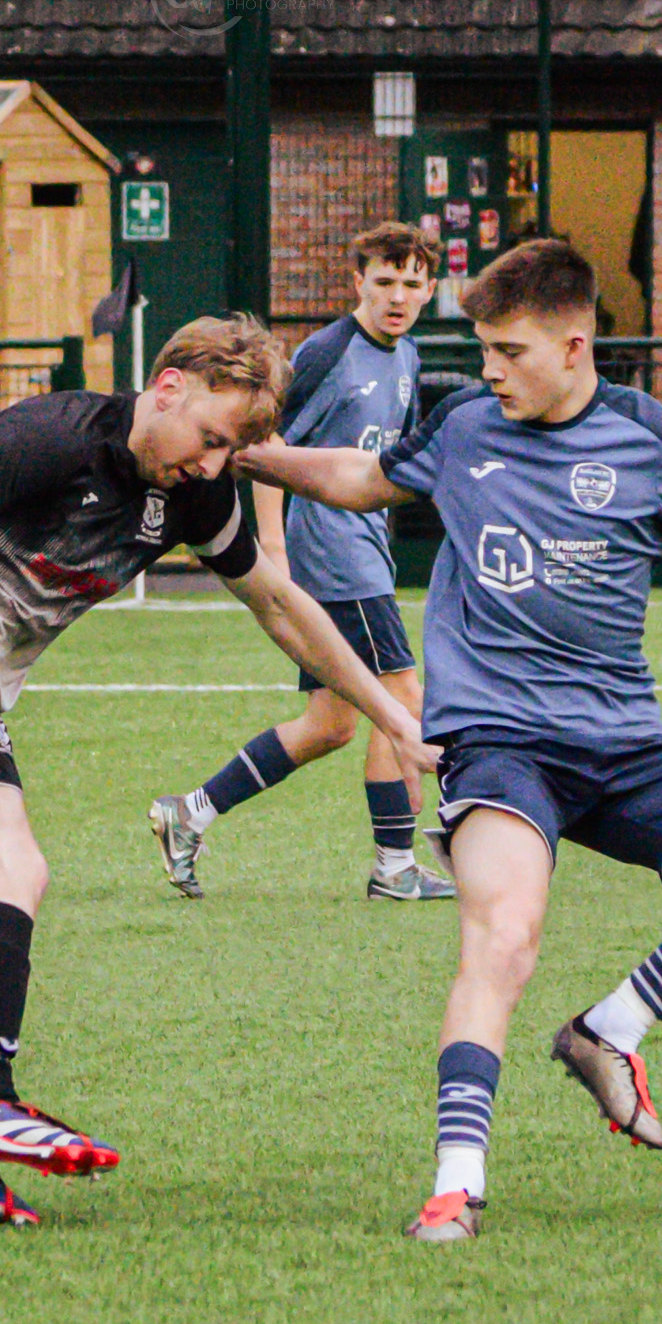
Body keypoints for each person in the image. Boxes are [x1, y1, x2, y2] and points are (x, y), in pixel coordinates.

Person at [236, 240, 662, 1243]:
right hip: (497, 744)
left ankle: (609, 1029)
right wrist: (258, 455)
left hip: (621, 746)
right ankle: (456, 1181)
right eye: (482, 347)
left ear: (574, 346)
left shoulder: (657, 438)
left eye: (509, 350)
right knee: (505, 933)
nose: (488, 368)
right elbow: (362, 475)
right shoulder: (466, 420)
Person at [0, 315, 441, 1226]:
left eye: (234, 452)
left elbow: (281, 603)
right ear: (169, 385)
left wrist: (395, 715)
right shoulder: (56, 434)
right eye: (213, 439)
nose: (215, 464)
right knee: (15, 866)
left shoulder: (194, 496)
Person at [148, 222, 456, 902]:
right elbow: (260, 443)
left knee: (331, 725)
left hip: (363, 544)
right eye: (383, 282)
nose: (397, 296)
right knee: (402, 699)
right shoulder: (329, 351)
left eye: (411, 284)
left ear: (430, 289)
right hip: (332, 551)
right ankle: (395, 865)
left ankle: (188, 813)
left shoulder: (406, 356)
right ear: (358, 283)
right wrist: (272, 549)